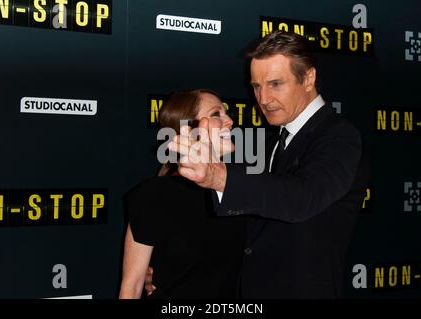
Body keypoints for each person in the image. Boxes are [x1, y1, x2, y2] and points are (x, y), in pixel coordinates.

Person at [168, 30, 370, 298]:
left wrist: (218, 177)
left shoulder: (339, 135)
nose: (262, 99)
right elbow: (243, 213)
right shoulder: (270, 142)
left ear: (308, 78)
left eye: (276, 84)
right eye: (256, 86)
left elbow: (301, 197)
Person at [119, 89, 246, 299]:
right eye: (216, 114)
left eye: (226, 113)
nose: (230, 121)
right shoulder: (153, 196)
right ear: (189, 130)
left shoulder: (246, 188)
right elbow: (131, 287)